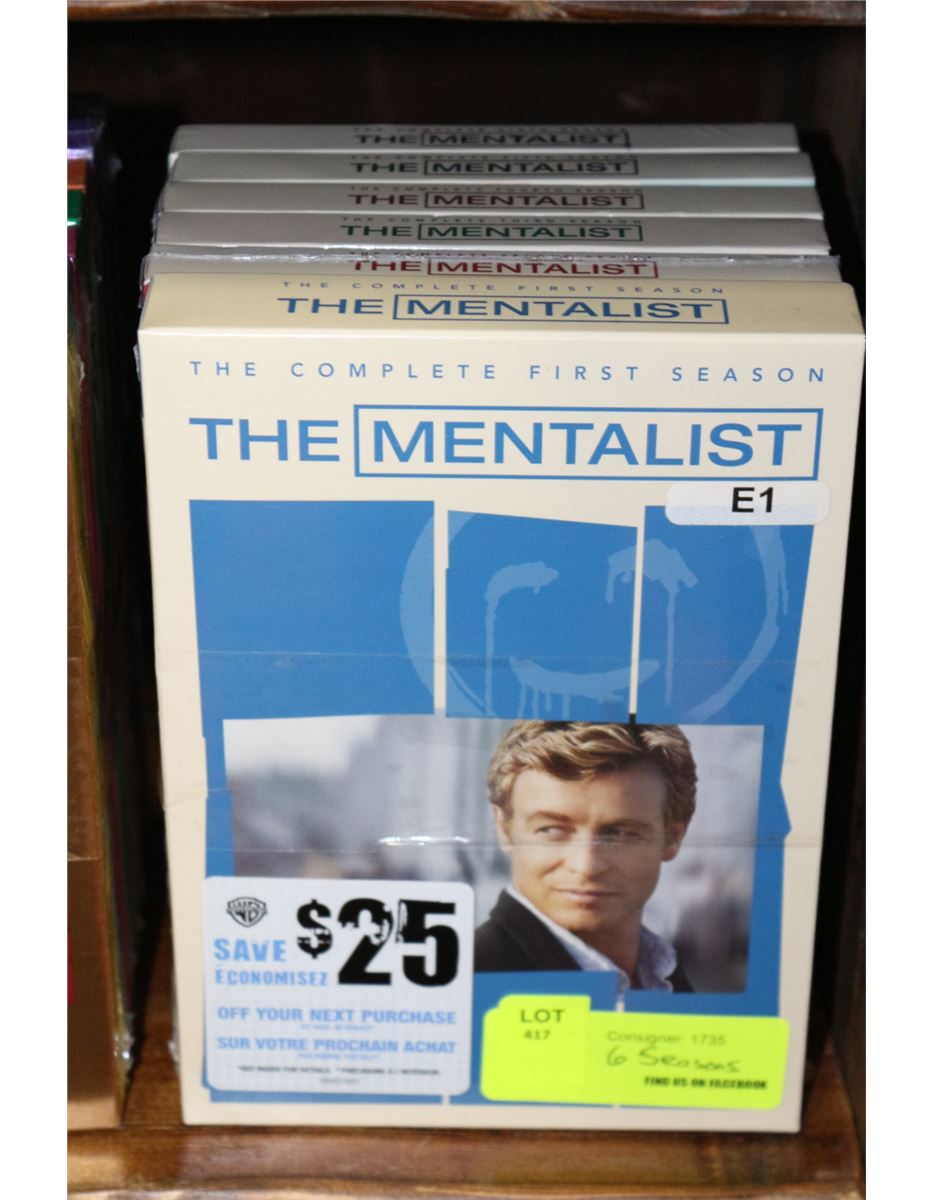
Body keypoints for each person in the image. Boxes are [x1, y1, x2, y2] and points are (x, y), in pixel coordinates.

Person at [474, 721, 696, 995]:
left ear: (673, 837)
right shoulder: (464, 979)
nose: (586, 866)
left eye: (621, 834)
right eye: (551, 830)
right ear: (503, 828)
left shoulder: (667, 975)